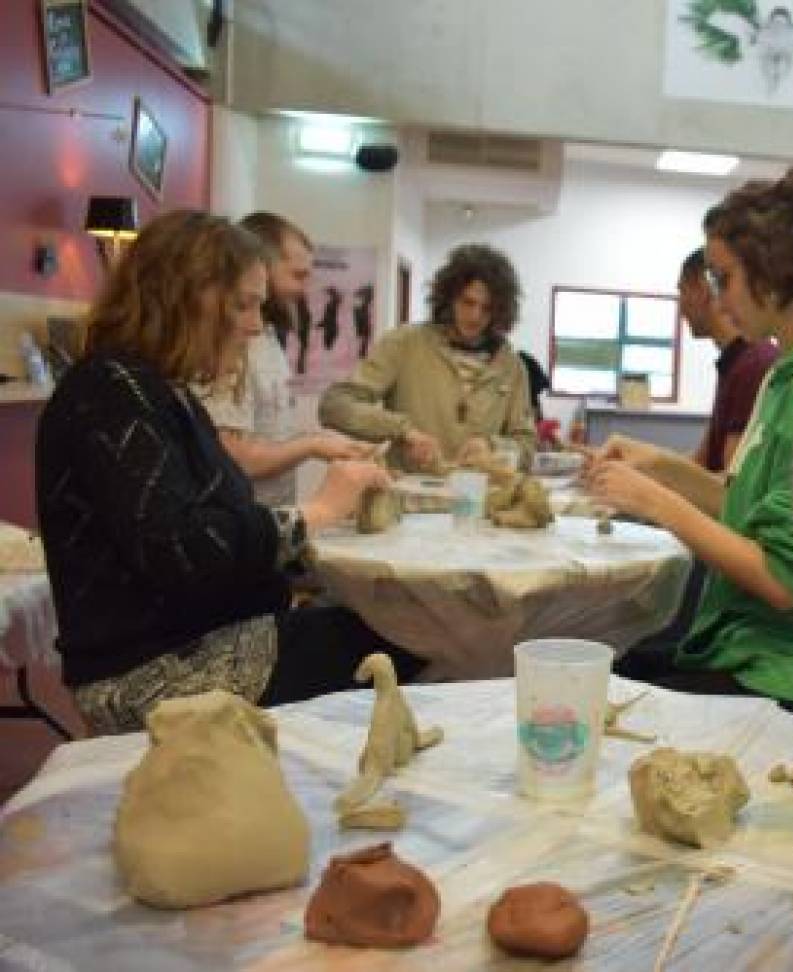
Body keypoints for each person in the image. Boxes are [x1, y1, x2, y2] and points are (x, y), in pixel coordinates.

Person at [36, 211, 421, 736]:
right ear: (185, 297)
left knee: (395, 624)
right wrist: (321, 511)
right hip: (147, 675)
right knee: (409, 645)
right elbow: (184, 551)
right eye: (243, 304)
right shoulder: (109, 393)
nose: (255, 325)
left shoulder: (156, 391)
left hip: (201, 639)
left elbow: (218, 521)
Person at [583, 167, 793, 725]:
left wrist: (655, 502)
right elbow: (742, 509)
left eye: (724, 278)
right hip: (755, 653)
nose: (717, 300)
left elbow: (782, 582)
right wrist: (660, 466)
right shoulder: (788, 371)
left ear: (772, 271)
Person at [196, 211, 372, 505]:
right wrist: (312, 446)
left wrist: (326, 443)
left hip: (270, 526)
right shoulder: (228, 344)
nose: (304, 290)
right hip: (236, 529)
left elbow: (269, 434)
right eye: (297, 275)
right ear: (259, 266)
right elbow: (231, 456)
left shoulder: (267, 335)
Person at [319, 243, 536, 471]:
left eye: (487, 308)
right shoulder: (404, 344)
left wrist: (492, 446)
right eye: (467, 302)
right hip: (406, 499)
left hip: (479, 500)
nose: (475, 316)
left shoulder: (511, 367)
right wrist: (403, 431)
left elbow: (527, 447)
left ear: (501, 310)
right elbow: (335, 405)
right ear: (449, 298)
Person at [679, 246, 779, 473]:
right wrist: (637, 466)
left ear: (702, 290)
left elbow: (729, 486)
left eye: (683, 291)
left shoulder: (754, 365)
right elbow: (701, 462)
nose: (681, 307)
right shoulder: (733, 362)